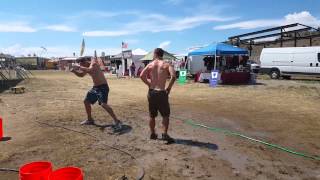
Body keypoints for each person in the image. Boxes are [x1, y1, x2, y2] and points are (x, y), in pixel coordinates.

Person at [71, 56, 122, 131]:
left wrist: (78, 66)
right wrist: (74, 71)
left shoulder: (93, 63)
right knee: (86, 101)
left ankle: (117, 121)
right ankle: (90, 119)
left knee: (103, 104)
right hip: (95, 88)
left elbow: (90, 69)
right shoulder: (86, 66)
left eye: (81, 64)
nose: (81, 66)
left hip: (103, 87)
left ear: (84, 62)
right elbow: (82, 75)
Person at [140, 48, 176, 144]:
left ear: (155, 54)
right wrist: (168, 88)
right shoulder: (166, 64)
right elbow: (173, 76)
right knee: (165, 115)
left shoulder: (150, 64)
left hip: (151, 92)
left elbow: (141, 75)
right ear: (162, 54)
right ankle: (164, 134)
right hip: (161, 92)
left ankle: (152, 133)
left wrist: (149, 84)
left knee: (152, 115)